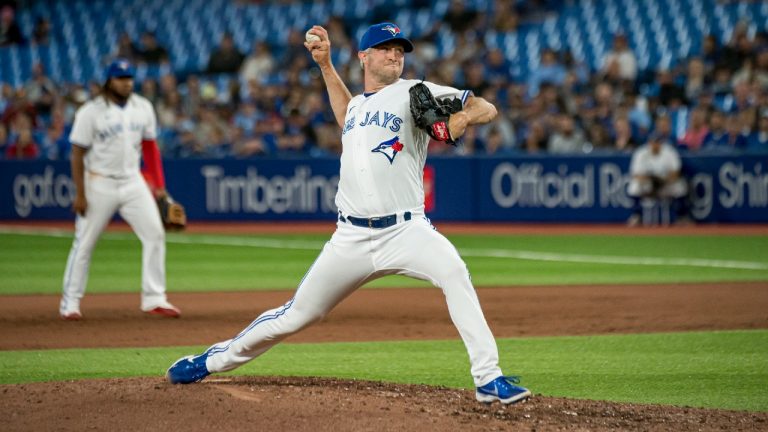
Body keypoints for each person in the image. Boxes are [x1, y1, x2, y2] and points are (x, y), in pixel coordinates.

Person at [167, 22, 531, 405]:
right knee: (297, 315)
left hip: (406, 231)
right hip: (350, 239)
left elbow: (484, 107)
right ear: (363, 56)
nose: (395, 54)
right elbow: (347, 118)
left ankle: (488, 379)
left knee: (454, 272)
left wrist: (453, 122)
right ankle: (211, 360)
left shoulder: (414, 91)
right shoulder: (358, 105)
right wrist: (325, 65)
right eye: (386, 48)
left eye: (400, 49)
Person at [59, 59, 181, 320]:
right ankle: (70, 302)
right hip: (99, 182)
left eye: (129, 78)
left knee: (155, 234)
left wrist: (159, 187)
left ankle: (154, 298)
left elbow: (150, 148)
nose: (126, 83)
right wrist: (80, 193)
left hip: (132, 180)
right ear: (109, 81)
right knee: (85, 243)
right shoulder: (90, 112)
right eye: (120, 78)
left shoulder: (143, 107)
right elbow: (77, 153)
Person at [626, 133, 691, 226]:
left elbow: (676, 173)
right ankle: (637, 215)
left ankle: (682, 216)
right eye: (652, 142)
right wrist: (652, 179)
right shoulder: (641, 153)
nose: (655, 144)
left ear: (661, 143)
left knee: (680, 186)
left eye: (657, 142)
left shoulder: (669, 152)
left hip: (665, 184)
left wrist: (662, 180)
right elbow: (636, 175)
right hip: (648, 185)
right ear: (649, 142)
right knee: (633, 186)